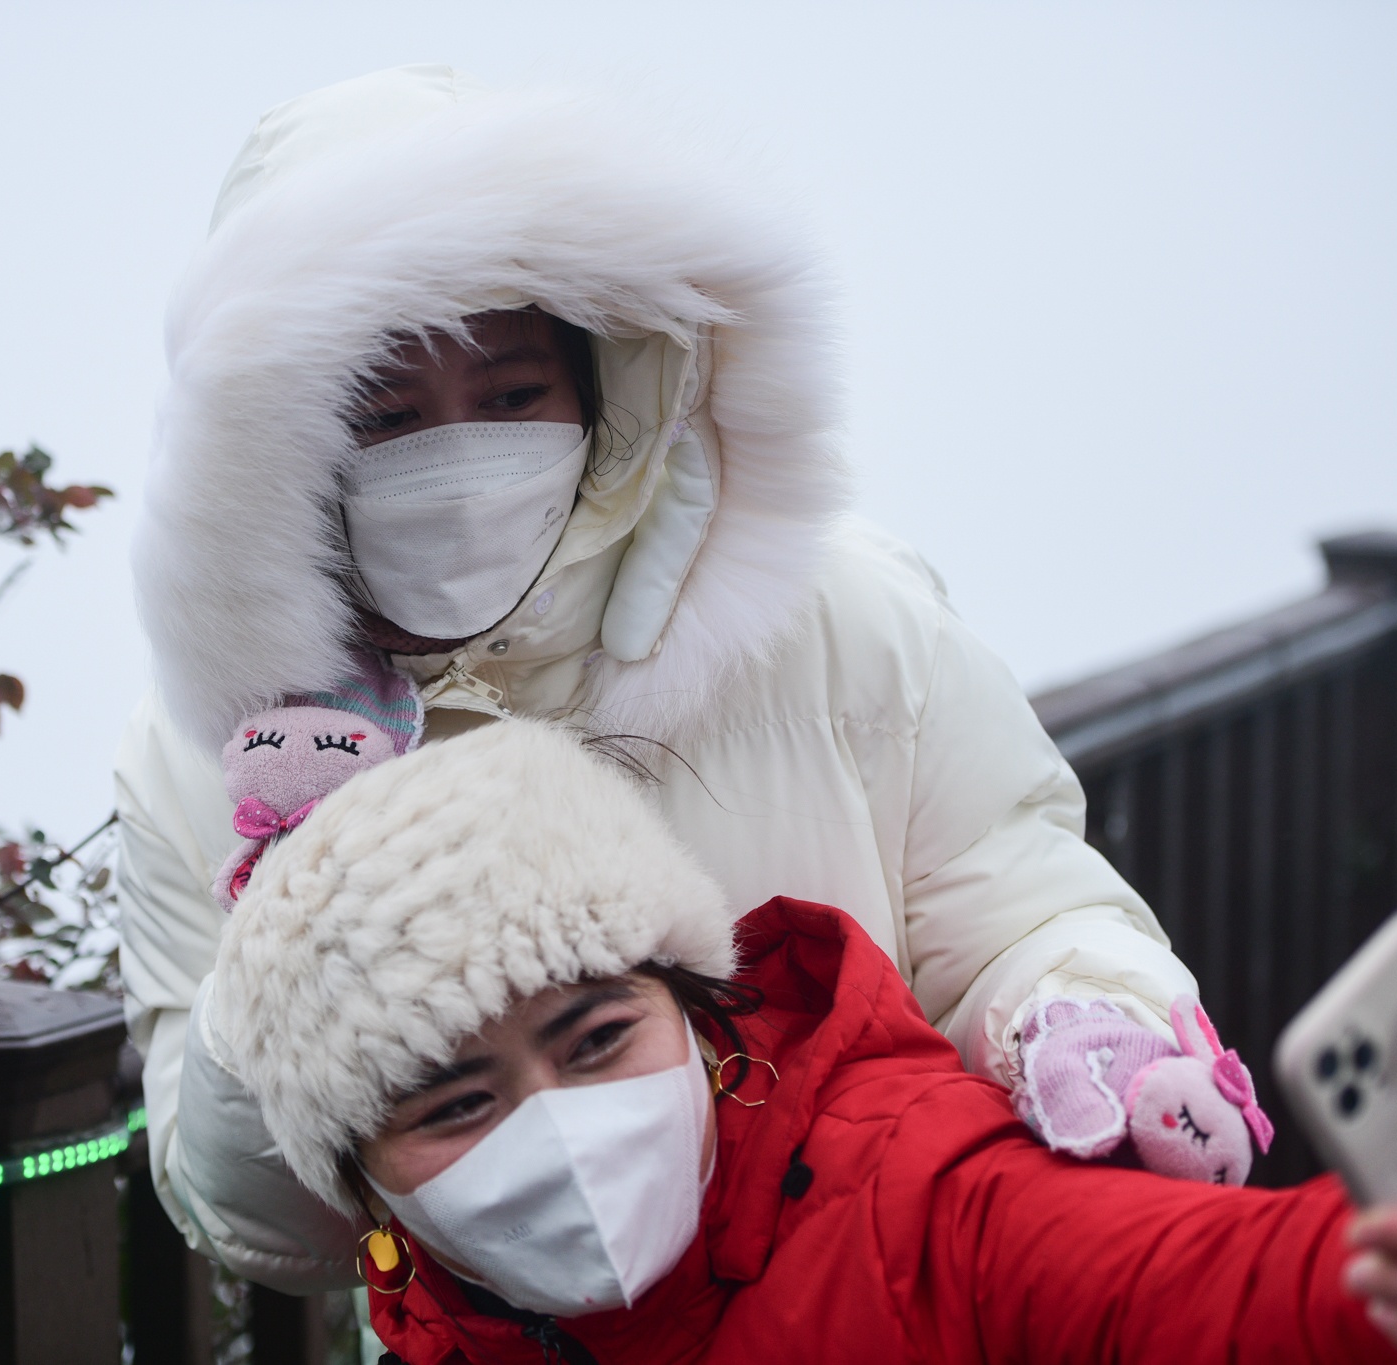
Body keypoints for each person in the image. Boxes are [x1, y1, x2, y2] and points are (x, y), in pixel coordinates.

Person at [122, 64, 1209, 1288]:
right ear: (279, 449)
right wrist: (284, 928)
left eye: (510, 392)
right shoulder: (206, 758)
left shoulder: (833, 614)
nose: (460, 456)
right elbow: (260, 1231)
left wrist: (1081, 1023)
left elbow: (1015, 902)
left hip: (887, 1302)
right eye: (386, 415)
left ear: (605, 384)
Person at [212, 719, 1397, 1365]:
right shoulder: (450, 1331)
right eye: (458, 1105)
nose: (556, 1119)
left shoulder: (911, 1189)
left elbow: (1184, 1283)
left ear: (696, 1014)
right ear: (366, 1183)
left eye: (596, 1033)